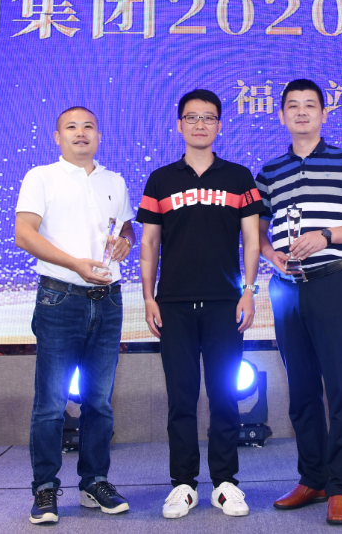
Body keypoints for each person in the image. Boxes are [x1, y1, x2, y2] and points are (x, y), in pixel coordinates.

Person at [255, 79, 342, 526]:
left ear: (324, 114)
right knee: (302, 388)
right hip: (287, 288)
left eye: (310, 105)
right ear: (282, 116)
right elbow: (257, 231)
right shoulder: (269, 172)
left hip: (333, 282)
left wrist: (326, 235)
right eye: (293, 106)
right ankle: (313, 479)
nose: (302, 112)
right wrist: (271, 256)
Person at [137, 89, 265, 519]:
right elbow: (149, 244)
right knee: (181, 398)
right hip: (173, 305)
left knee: (225, 395)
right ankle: (183, 485)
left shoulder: (238, 177)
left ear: (219, 125)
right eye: (192, 117)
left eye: (208, 118)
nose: (200, 125)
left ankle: (226, 483)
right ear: (179, 125)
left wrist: (249, 290)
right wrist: (148, 297)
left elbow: (251, 240)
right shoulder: (161, 180)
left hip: (225, 303)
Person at [14, 106, 135, 525]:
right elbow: (24, 234)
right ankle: (45, 487)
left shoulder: (114, 181)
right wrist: (75, 264)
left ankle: (94, 481)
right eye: (71, 127)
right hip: (60, 298)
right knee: (51, 402)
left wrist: (126, 240)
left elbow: (125, 228)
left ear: (99, 135)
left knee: (99, 401)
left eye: (88, 127)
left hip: (109, 298)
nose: (80, 133)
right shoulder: (41, 177)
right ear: (57, 136)